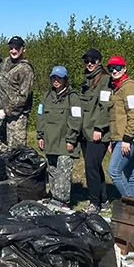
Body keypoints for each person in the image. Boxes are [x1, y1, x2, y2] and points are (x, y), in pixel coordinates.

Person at [36, 66, 81, 205]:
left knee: (63, 173)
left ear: (65, 79)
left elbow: (76, 119)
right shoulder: (47, 96)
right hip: (50, 141)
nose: (56, 80)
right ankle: (54, 198)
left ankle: (63, 201)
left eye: (59, 78)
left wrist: (71, 139)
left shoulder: (73, 98)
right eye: (54, 78)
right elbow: (40, 116)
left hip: (65, 141)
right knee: (52, 171)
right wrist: (40, 136)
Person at [106, 55, 134, 199]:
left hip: (129, 138)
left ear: (124, 68)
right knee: (131, 175)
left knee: (114, 171)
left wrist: (127, 139)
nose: (114, 71)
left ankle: (133, 205)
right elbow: (116, 117)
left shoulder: (131, 87)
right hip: (119, 138)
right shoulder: (116, 88)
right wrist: (113, 140)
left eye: (117, 68)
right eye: (111, 68)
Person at [79, 48, 112, 213]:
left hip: (97, 132)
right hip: (85, 131)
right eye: (87, 61)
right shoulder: (86, 80)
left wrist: (99, 128)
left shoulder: (105, 80)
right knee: (95, 167)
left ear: (99, 61)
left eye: (93, 61)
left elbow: (105, 107)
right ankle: (103, 199)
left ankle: (94, 203)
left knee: (91, 167)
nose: (89, 64)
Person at [0, 36, 34, 153]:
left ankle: (15, 168)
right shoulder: (7, 63)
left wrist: (6, 111)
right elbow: (2, 71)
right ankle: (3, 165)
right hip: (1, 114)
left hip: (16, 117)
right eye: (11, 48)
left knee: (16, 151)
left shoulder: (25, 69)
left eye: (16, 48)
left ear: (23, 49)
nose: (13, 51)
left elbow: (23, 97)